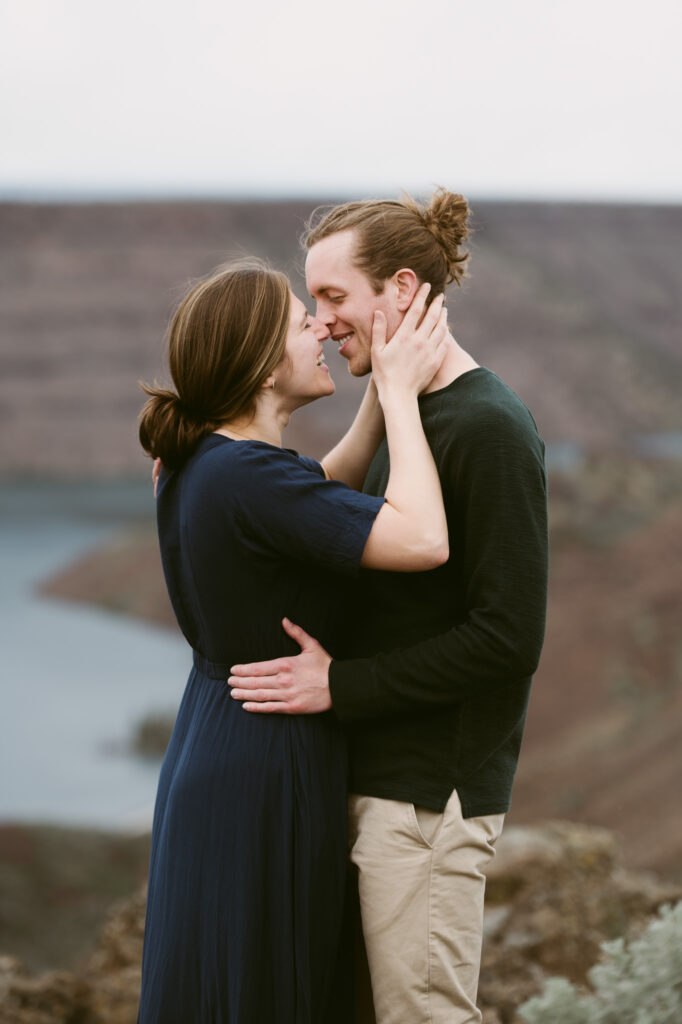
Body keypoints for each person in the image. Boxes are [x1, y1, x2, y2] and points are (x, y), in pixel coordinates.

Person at [229, 191, 549, 1024]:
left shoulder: (489, 428)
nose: (323, 322)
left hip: (429, 803)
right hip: (373, 786)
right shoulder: (407, 420)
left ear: (402, 290)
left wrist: (345, 686)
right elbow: (314, 513)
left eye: (335, 297)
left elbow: (509, 638)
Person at [136, 257, 450, 1024]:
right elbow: (422, 540)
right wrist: (405, 397)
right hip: (267, 762)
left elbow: (317, 490)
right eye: (298, 320)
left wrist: (377, 387)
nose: (320, 325)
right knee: (273, 986)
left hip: (217, 744)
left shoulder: (204, 461)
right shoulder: (247, 478)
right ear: (260, 366)